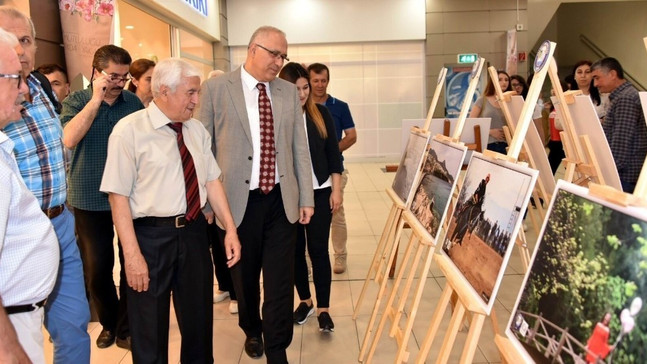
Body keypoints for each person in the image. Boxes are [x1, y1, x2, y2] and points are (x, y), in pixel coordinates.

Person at [100, 57, 241, 363]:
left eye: (198, 92)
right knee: (149, 331)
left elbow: (212, 181)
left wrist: (229, 228)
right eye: (190, 92)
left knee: (199, 326)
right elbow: (117, 197)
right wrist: (132, 256)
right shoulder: (129, 132)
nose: (196, 100)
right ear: (164, 91)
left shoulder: (195, 131)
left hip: (192, 236)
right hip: (150, 240)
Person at [198, 26, 314, 364]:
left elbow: (299, 149)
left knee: (280, 280)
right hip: (236, 202)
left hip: (280, 199)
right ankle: (252, 329)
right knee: (245, 279)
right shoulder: (217, 89)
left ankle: (277, 348)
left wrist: (305, 196)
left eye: (284, 56)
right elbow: (202, 150)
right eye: (274, 54)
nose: (279, 61)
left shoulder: (288, 92)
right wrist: (207, 203)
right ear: (252, 49)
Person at [0, 6, 91, 362]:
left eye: (25, 40)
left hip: (59, 223)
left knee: (73, 324)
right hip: (14, 234)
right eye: (10, 40)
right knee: (21, 329)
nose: (19, 50)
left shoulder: (37, 85)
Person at [60, 44, 144, 349]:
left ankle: (126, 326)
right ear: (96, 72)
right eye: (113, 76)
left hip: (128, 198)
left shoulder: (133, 103)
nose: (119, 83)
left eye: (124, 77)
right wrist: (96, 99)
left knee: (133, 262)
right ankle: (109, 322)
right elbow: (68, 139)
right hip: (87, 197)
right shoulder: (77, 101)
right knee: (98, 269)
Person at [0, 26, 59, 364]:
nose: (25, 90)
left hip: (21, 315)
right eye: (15, 79)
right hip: (11, 324)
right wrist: (9, 350)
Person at [278, 62, 343, 332]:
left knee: (318, 251)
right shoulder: (279, 118)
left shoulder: (321, 114)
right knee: (294, 252)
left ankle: (324, 309)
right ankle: (305, 301)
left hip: (320, 192)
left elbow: (333, 155)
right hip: (290, 195)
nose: (303, 94)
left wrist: (336, 189)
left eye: (305, 87)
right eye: (297, 89)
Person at [308, 62, 357, 274]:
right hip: (307, 173)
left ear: (328, 81)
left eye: (323, 81)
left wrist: (331, 151)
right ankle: (309, 261)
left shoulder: (340, 106)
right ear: (309, 81)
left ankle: (340, 256)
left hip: (335, 171)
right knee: (306, 215)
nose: (320, 85)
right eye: (316, 81)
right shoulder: (302, 105)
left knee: (336, 213)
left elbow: (352, 136)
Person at [202, 67, 238, 313]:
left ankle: (237, 294)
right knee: (216, 244)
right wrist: (206, 203)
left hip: (231, 191)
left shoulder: (233, 118)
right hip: (211, 193)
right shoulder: (200, 123)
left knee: (232, 242)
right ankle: (224, 286)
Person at [591, 57, 647, 193]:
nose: (595, 84)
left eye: (597, 78)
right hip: (624, 175)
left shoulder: (625, 99)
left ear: (612, 74)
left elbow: (620, 147)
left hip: (623, 176)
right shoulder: (622, 96)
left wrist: (606, 174)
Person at [469, 70, 512, 155]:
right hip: (488, 144)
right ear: (493, 81)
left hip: (508, 145)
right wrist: (490, 132)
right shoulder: (482, 100)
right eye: (500, 79)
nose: (504, 82)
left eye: (506, 80)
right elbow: (470, 123)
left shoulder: (511, 102)